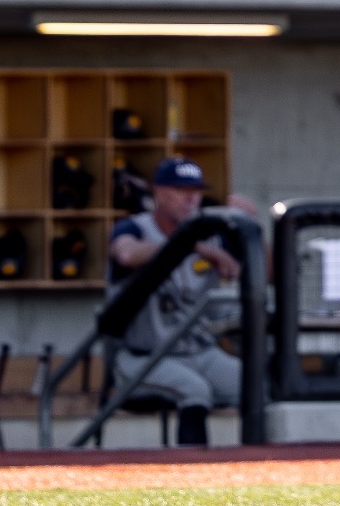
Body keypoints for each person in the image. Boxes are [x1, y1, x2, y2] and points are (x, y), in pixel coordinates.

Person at [106, 157, 257, 446]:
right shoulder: (134, 227)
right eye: (180, 189)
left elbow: (270, 275)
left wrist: (252, 225)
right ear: (159, 193)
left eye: (197, 190)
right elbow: (126, 254)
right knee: (194, 391)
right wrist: (192, 247)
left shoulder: (211, 232)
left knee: (255, 385)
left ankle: (273, 470)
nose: (191, 197)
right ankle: (191, 475)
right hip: (143, 356)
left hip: (200, 351)